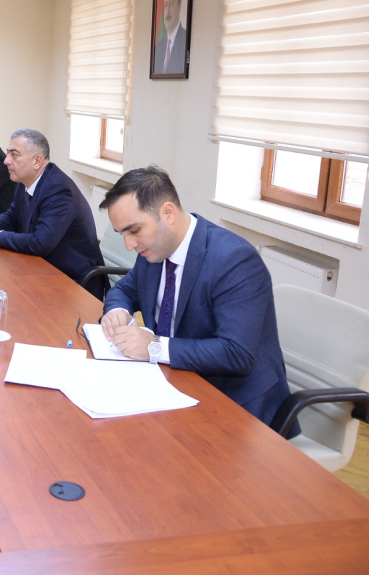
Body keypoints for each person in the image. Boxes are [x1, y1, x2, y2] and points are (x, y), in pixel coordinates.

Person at [98, 166, 298, 435]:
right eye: (122, 233)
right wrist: (118, 310)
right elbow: (125, 289)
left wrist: (154, 347)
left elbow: (236, 353)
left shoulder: (234, 260)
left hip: (236, 407)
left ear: (168, 213)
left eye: (134, 230)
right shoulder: (155, 249)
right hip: (176, 383)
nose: (129, 244)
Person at [0, 129, 107, 300]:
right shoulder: (25, 181)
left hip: (73, 282)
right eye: (7, 153)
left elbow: (41, 243)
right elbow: (12, 215)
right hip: (41, 268)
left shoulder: (58, 190)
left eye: (14, 155)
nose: (6, 160)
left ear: (37, 161)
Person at [153, 0, 186, 74]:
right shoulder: (158, 47)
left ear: (179, 4)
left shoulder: (185, 40)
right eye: (165, 5)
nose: (167, 12)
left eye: (171, 3)